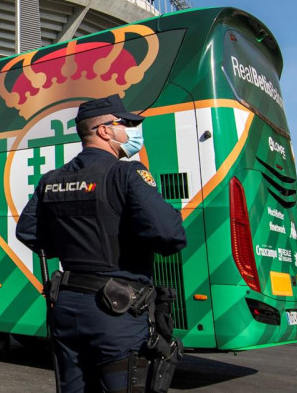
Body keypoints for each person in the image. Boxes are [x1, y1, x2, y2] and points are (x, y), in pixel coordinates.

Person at [16, 95, 186, 393]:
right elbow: (170, 235)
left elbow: (29, 233)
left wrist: (70, 246)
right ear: (105, 130)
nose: (133, 130)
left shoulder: (51, 180)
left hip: (67, 308)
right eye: (127, 123)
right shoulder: (125, 173)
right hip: (116, 311)